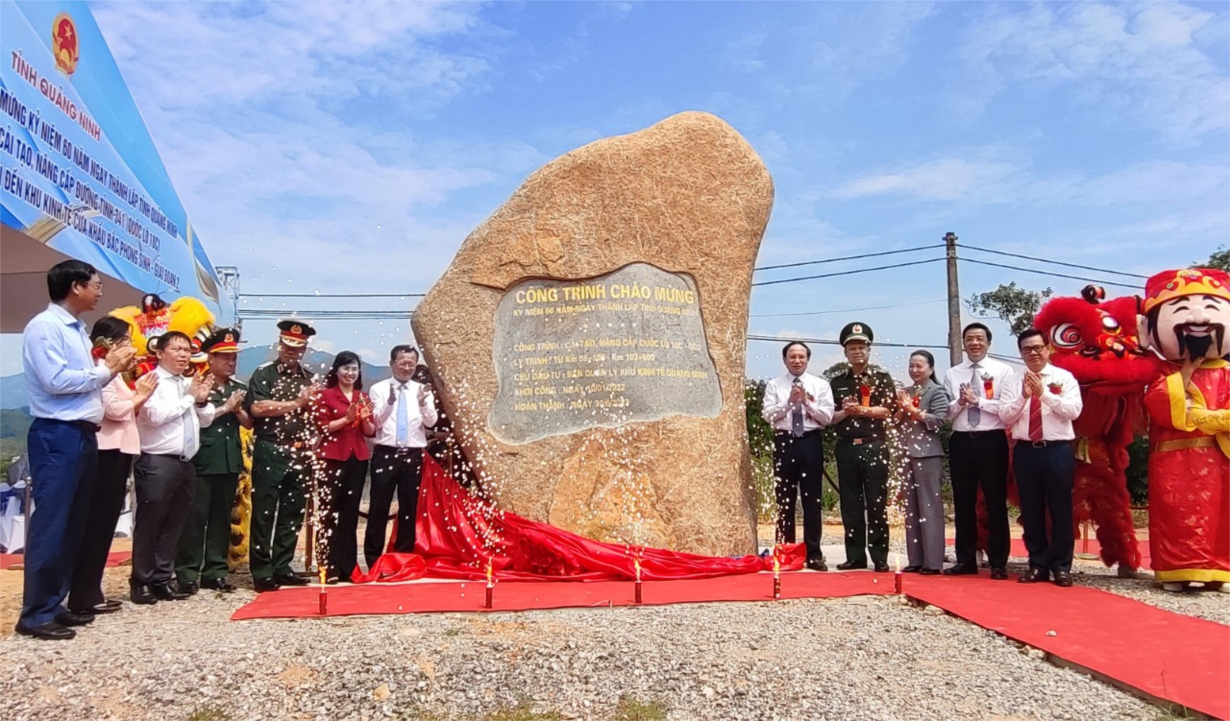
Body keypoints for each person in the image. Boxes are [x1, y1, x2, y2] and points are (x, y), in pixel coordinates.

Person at [19, 261, 135, 640]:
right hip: (57, 433)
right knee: (52, 523)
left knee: (73, 524)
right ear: (75, 286)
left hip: (84, 433)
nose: (101, 291)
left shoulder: (77, 330)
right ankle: (36, 613)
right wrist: (107, 370)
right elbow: (55, 382)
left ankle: (57, 602)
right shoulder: (45, 327)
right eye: (96, 285)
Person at [1138, 268, 1230, 591]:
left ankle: (1216, 570)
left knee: (1219, 516)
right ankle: (1175, 569)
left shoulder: (1227, 371)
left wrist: (1202, 417)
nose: (1199, 318)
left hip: (1218, 456)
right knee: (1175, 513)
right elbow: (1158, 406)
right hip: (1172, 459)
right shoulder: (1161, 370)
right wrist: (1186, 373)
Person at [66, 317, 159, 616]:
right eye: (127, 340)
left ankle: (91, 590)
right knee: (96, 524)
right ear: (110, 343)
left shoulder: (116, 374)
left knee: (105, 524)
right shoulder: (102, 371)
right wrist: (140, 395)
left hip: (119, 451)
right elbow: (114, 410)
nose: (131, 347)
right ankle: (83, 593)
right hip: (107, 451)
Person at [131, 331, 228, 604]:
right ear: (160, 353)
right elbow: (156, 416)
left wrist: (199, 399)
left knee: (176, 522)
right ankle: (141, 581)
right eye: (176, 349)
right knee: (151, 522)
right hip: (158, 459)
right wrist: (188, 398)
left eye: (187, 349)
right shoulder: (150, 381)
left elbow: (206, 419)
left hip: (186, 461)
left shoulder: (188, 382)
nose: (183, 354)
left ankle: (162, 578)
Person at [999, 329, 1083, 587]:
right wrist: (1025, 396)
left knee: (1060, 510)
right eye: (1027, 349)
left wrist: (1043, 394)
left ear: (1048, 349)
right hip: (1026, 450)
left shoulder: (1064, 378)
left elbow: (1074, 411)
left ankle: (1061, 566)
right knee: (1031, 510)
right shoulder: (1013, 381)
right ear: (1021, 353)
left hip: (1056, 450)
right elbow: (1005, 416)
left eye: (1038, 348)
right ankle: (1037, 564)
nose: (1033, 353)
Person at [246, 320, 320, 592]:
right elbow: (257, 408)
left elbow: (314, 415)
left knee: (292, 511)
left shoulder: (310, 378)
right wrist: (296, 404)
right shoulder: (264, 374)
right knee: (264, 511)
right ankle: (262, 570)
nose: (292, 351)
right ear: (280, 344)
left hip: (300, 450)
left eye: (297, 348)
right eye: (287, 346)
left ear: (304, 349)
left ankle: (282, 565)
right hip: (271, 447)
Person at [175, 328, 250, 594]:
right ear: (211, 357)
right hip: (202, 459)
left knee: (221, 518)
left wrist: (237, 410)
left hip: (228, 460)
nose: (231, 362)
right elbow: (195, 419)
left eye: (233, 358)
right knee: (195, 518)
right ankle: (186, 571)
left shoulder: (239, 388)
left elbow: (249, 422)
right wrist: (225, 408)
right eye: (225, 357)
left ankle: (215, 571)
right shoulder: (195, 384)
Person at [942, 322, 1014, 580]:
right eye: (969, 339)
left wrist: (978, 401)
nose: (974, 343)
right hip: (961, 440)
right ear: (963, 343)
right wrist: (961, 402)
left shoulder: (1002, 370)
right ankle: (966, 559)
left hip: (991, 439)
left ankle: (998, 562)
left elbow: (1007, 408)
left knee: (995, 501)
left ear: (988, 342)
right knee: (963, 502)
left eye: (979, 338)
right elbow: (947, 413)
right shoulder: (953, 373)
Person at [829, 322, 897, 572]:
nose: (857, 351)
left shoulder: (882, 379)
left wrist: (863, 410)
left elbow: (889, 410)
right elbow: (829, 416)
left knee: (877, 502)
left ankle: (880, 556)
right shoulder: (837, 383)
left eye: (861, 347)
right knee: (850, 503)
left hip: (874, 446)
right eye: (852, 348)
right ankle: (855, 555)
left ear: (869, 350)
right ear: (845, 353)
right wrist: (844, 412)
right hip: (847, 446)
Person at [761, 341, 835, 570]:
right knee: (785, 499)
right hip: (784, 441)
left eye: (801, 356)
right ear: (785, 360)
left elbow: (827, 417)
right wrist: (789, 402)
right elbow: (768, 415)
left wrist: (806, 402)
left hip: (810, 441)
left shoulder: (820, 384)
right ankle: (786, 551)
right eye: (792, 356)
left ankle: (813, 553)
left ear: (807, 359)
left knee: (812, 499)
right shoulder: (774, 385)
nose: (797, 360)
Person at [366, 345, 437, 567]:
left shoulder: (422, 389)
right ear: (392, 364)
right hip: (386, 453)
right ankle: (374, 559)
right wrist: (389, 402)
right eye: (402, 363)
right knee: (379, 506)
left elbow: (431, 422)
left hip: (413, 454)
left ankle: (403, 557)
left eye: (411, 364)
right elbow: (375, 421)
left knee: (409, 507)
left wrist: (424, 403)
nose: (407, 367)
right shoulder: (379, 388)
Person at [314, 351, 375, 583]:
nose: (350, 373)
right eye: (346, 368)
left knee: (350, 514)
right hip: (332, 458)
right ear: (336, 370)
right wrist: (346, 419)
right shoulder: (325, 396)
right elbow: (322, 428)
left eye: (354, 369)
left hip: (357, 458)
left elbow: (369, 432)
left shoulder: (363, 396)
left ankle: (349, 566)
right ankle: (328, 567)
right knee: (329, 512)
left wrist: (366, 418)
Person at [893, 350, 951, 575]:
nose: (914, 370)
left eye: (919, 366)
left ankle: (933, 562)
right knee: (911, 507)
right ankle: (915, 558)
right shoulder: (905, 392)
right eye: (911, 366)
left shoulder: (937, 391)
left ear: (931, 369)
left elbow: (938, 421)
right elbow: (896, 421)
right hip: (906, 453)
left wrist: (913, 410)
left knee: (930, 506)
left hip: (927, 453)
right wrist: (900, 409)